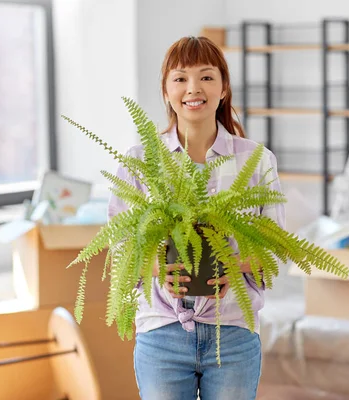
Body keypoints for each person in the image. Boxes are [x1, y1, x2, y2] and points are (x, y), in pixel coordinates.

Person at [108, 36, 286, 400]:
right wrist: (159, 266)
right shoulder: (142, 160)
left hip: (233, 331)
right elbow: (120, 248)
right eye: (180, 78)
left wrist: (233, 267)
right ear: (166, 90)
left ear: (223, 88)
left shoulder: (255, 160)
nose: (193, 89)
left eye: (206, 77)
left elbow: (277, 249)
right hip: (162, 331)